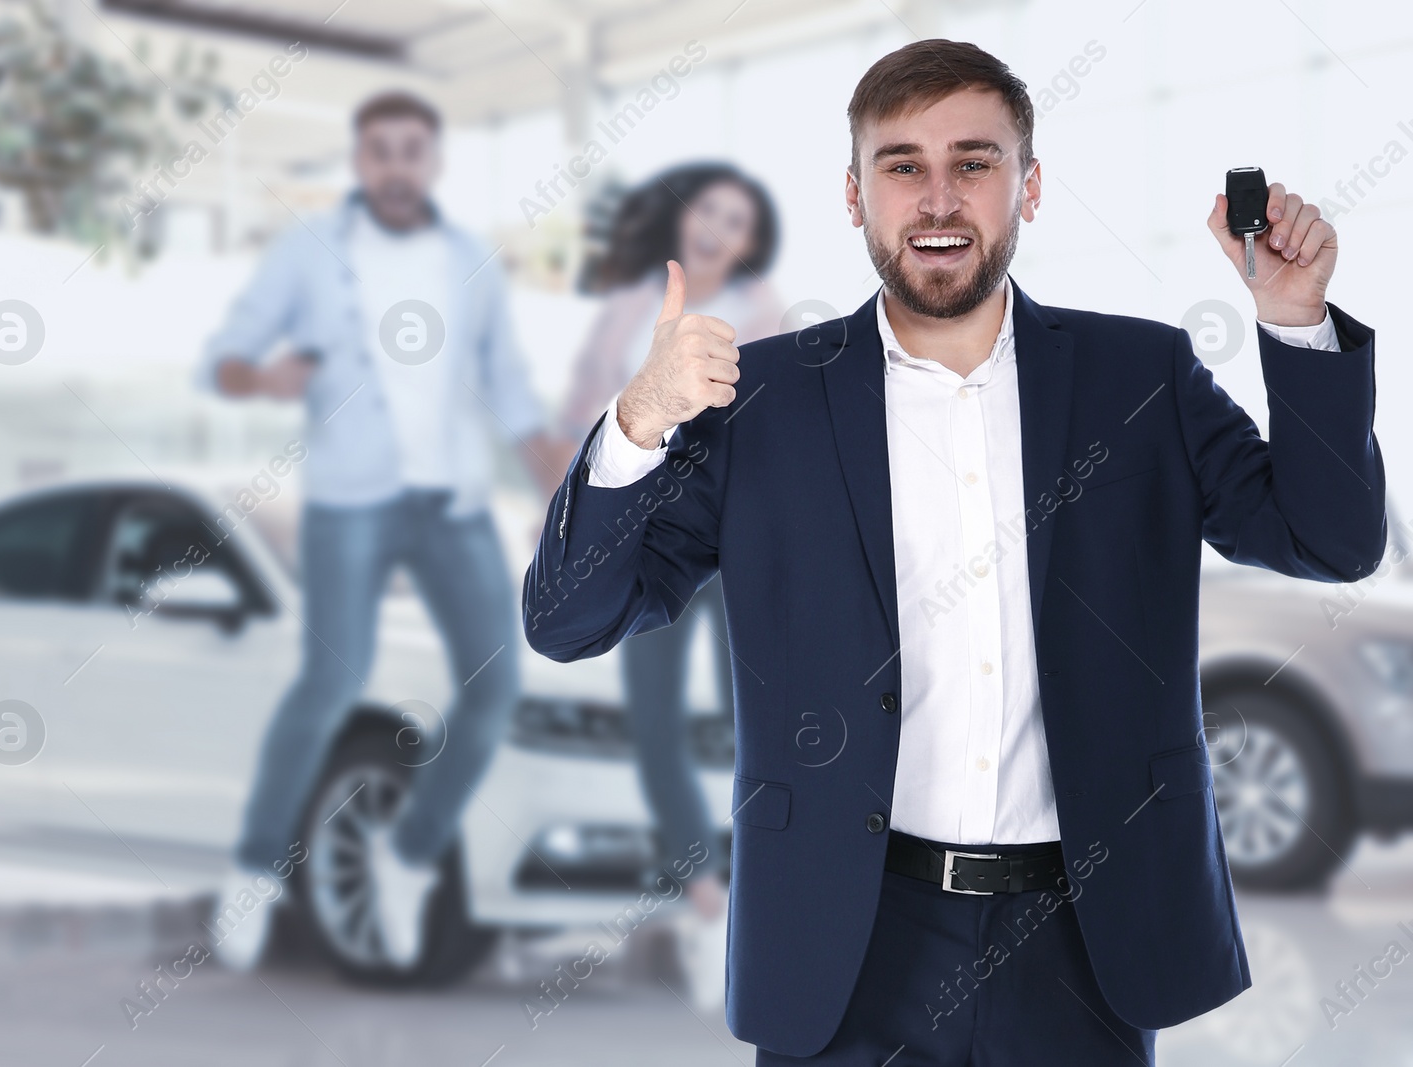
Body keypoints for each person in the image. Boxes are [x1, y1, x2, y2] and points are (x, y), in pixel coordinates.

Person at [523, 39, 1385, 1065]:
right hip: (846, 943)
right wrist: (636, 420)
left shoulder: (1137, 376)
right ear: (854, 195)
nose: (938, 199)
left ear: (1028, 187)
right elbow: (567, 620)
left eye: (973, 163)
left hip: (1082, 941)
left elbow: (1329, 541)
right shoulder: (764, 401)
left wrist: (1292, 326)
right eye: (903, 166)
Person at [201, 89, 557, 972]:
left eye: (412, 150)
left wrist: (565, 479)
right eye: (380, 152)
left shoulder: (470, 259)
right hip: (350, 503)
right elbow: (225, 356)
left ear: (433, 162)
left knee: (495, 685)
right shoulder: (308, 252)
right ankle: (252, 868)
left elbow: (509, 384)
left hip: (454, 506)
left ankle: (407, 855)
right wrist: (261, 378)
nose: (397, 166)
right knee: (334, 678)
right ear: (360, 163)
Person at [554, 162, 782, 1008]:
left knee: (751, 716)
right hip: (637, 535)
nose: (721, 227)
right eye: (711, 210)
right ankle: (704, 893)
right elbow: (583, 408)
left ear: (751, 240)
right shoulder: (625, 308)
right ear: (686, 222)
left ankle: (761, 890)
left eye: (739, 218)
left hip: (729, 540)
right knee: (654, 722)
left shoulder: (764, 312)